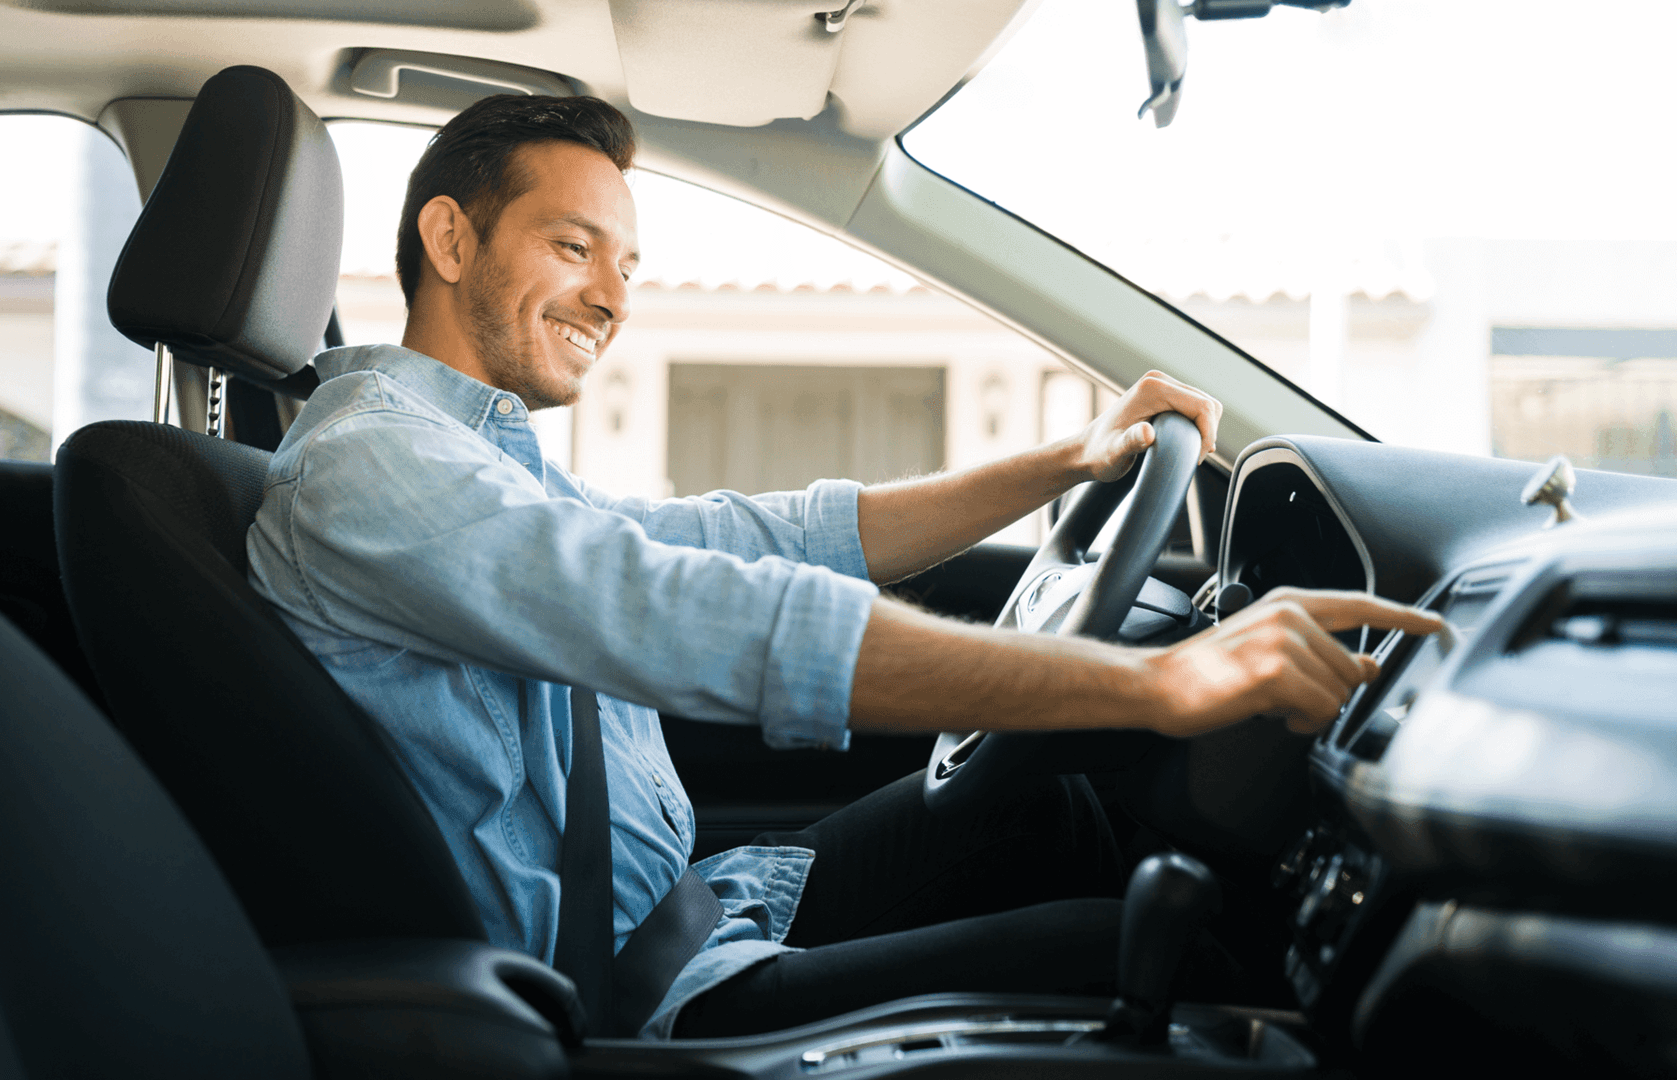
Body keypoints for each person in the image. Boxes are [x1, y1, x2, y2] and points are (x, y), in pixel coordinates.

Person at [246, 94, 1441, 1039]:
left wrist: (1065, 463)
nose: (611, 297)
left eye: (629, 267)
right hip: (635, 996)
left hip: (699, 906)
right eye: (574, 247)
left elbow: (744, 538)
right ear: (449, 238)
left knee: (1049, 813)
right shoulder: (373, 470)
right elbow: (684, 612)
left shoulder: (473, 459)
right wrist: (1158, 684)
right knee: (1161, 955)